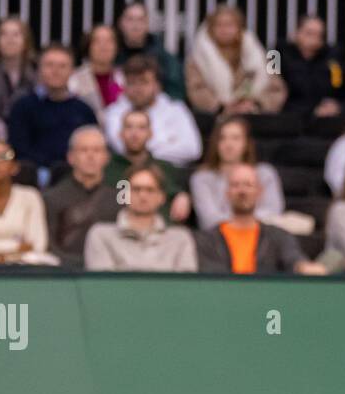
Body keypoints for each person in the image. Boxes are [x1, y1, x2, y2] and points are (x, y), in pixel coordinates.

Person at [195, 164, 325, 275]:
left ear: (259, 192)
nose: (242, 191)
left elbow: (293, 258)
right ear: (227, 193)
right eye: (235, 185)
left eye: (248, 185)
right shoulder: (208, 239)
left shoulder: (277, 236)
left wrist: (303, 266)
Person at [83, 163, 197, 271]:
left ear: (161, 197)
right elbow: (101, 286)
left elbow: (187, 287)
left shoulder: (180, 238)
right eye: (136, 189)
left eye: (150, 190)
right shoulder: (101, 235)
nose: (143, 196)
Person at [6, 44, 98, 172]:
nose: (56, 71)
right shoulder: (22, 107)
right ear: (39, 69)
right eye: (49, 65)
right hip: (33, 176)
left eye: (62, 66)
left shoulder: (84, 110)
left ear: (72, 71)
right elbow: (18, 149)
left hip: (76, 174)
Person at [185, 5, 286, 116]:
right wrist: (222, 107)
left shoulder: (266, 55)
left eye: (229, 25)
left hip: (257, 117)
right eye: (219, 25)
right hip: (216, 119)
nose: (224, 30)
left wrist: (256, 104)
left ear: (240, 27)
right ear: (210, 29)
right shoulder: (196, 58)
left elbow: (277, 89)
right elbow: (196, 89)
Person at [103, 56, 202, 167]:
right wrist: (166, 142)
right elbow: (123, 149)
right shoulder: (113, 112)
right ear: (124, 86)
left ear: (157, 85)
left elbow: (193, 149)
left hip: (170, 175)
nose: (137, 88)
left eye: (144, 82)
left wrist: (143, 150)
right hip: (126, 173)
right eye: (132, 83)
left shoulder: (176, 109)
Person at [42, 126, 120, 267]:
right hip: (64, 272)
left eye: (97, 150)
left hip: (109, 272)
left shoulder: (119, 198)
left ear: (106, 157)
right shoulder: (51, 197)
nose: (90, 156)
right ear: (71, 157)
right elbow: (48, 244)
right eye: (83, 150)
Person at [189, 116, 285, 230]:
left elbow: (273, 213)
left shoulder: (265, 174)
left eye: (235, 138)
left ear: (246, 143)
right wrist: (247, 221)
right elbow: (209, 221)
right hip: (219, 242)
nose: (228, 144)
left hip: (262, 239)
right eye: (222, 138)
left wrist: (239, 222)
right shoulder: (201, 178)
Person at [102, 109, 192, 224]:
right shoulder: (106, 169)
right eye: (129, 127)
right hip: (116, 232)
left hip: (160, 234)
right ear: (120, 134)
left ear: (150, 134)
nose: (135, 134)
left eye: (141, 127)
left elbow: (177, 193)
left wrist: (183, 196)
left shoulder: (166, 168)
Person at [280, 15, 345, 119]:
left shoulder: (332, 58)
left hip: (325, 121)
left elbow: (342, 84)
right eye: (309, 33)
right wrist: (311, 110)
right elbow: (271, 86)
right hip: (288, 118)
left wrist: (338, 106)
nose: (314, 40)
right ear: (296, 33)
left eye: (319, 35)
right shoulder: (276, 52)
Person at [115, 1, 184, 100]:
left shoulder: (164, 58)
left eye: (140, 20)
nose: (135, 25)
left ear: (147, 23)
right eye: (130, 19)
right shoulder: (111, 54)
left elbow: (175, 92)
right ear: (121, 23)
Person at [67, 24, 125, 122]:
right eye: (97, 41)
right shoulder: (74, 78)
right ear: (88, 46)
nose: (103, 46)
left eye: (109, 41)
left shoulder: (124, 77)